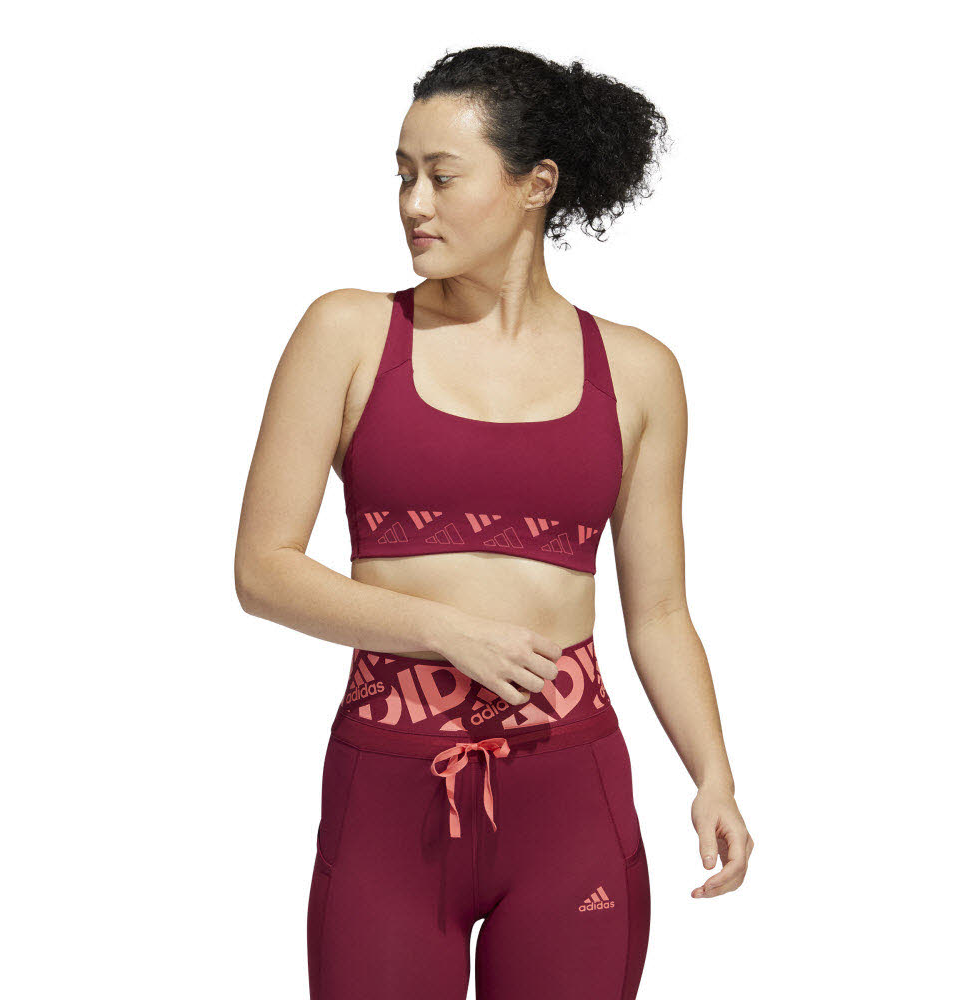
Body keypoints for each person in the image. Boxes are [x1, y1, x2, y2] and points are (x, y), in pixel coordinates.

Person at [234, 44, 753, 1000]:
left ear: (535, 186)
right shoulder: (349, 333)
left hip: (572, 795)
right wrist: (445, 630)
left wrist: (713, 774)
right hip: (390, 798)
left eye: (441, 177)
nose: (413, 204)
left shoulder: (639, 372)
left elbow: (660, 612)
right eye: (402, 176)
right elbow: (263, 569)